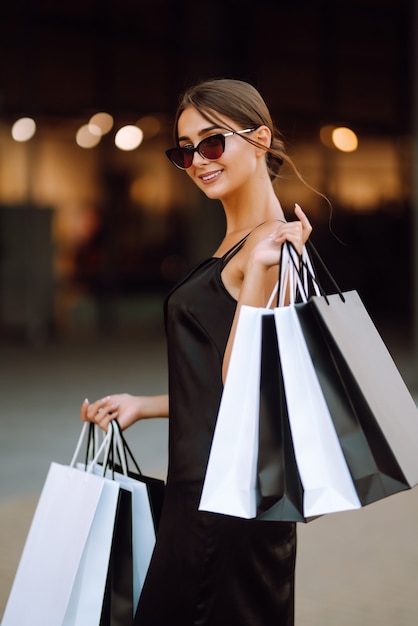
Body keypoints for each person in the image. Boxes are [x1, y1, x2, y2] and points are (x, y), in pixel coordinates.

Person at [81, 78, 312, 625]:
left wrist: (260, 271)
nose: (197, 161)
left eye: (212, 143)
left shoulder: (269, 251)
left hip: (224, 503)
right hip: (208, 490)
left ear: (258, 140)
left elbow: (246, 385)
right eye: (184, 150)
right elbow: (212, 374)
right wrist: (146, 404)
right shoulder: (246, 241)